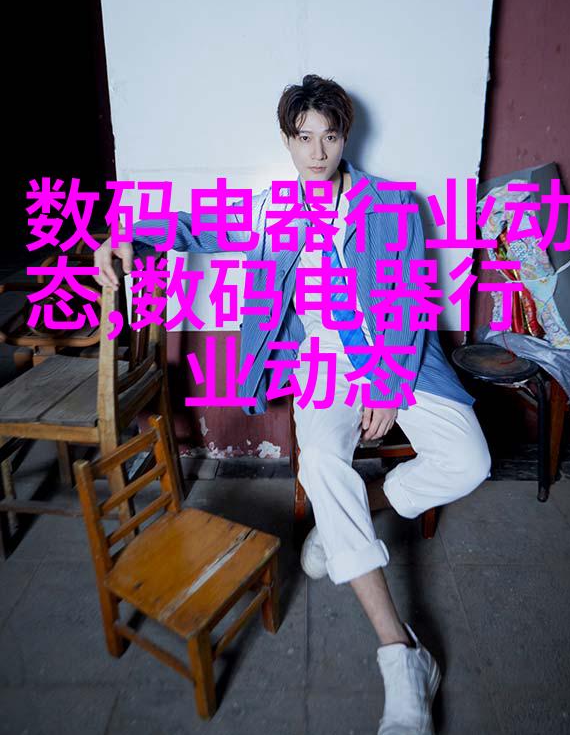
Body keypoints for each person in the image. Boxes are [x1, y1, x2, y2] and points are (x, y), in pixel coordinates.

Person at [94, 74, 491, 735]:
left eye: (328, 137)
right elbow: (189, 226)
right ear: (287, 140)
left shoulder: (392, 205)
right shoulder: (271, 210)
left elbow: (410, 300)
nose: (317, 152)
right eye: (304, 138)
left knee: (471, 460)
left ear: (345, 138)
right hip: (323, 369)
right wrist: (122, 237)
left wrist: (387, 384)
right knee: (324, 466)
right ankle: (401, 654)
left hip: (399, 359)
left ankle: (343, 523)